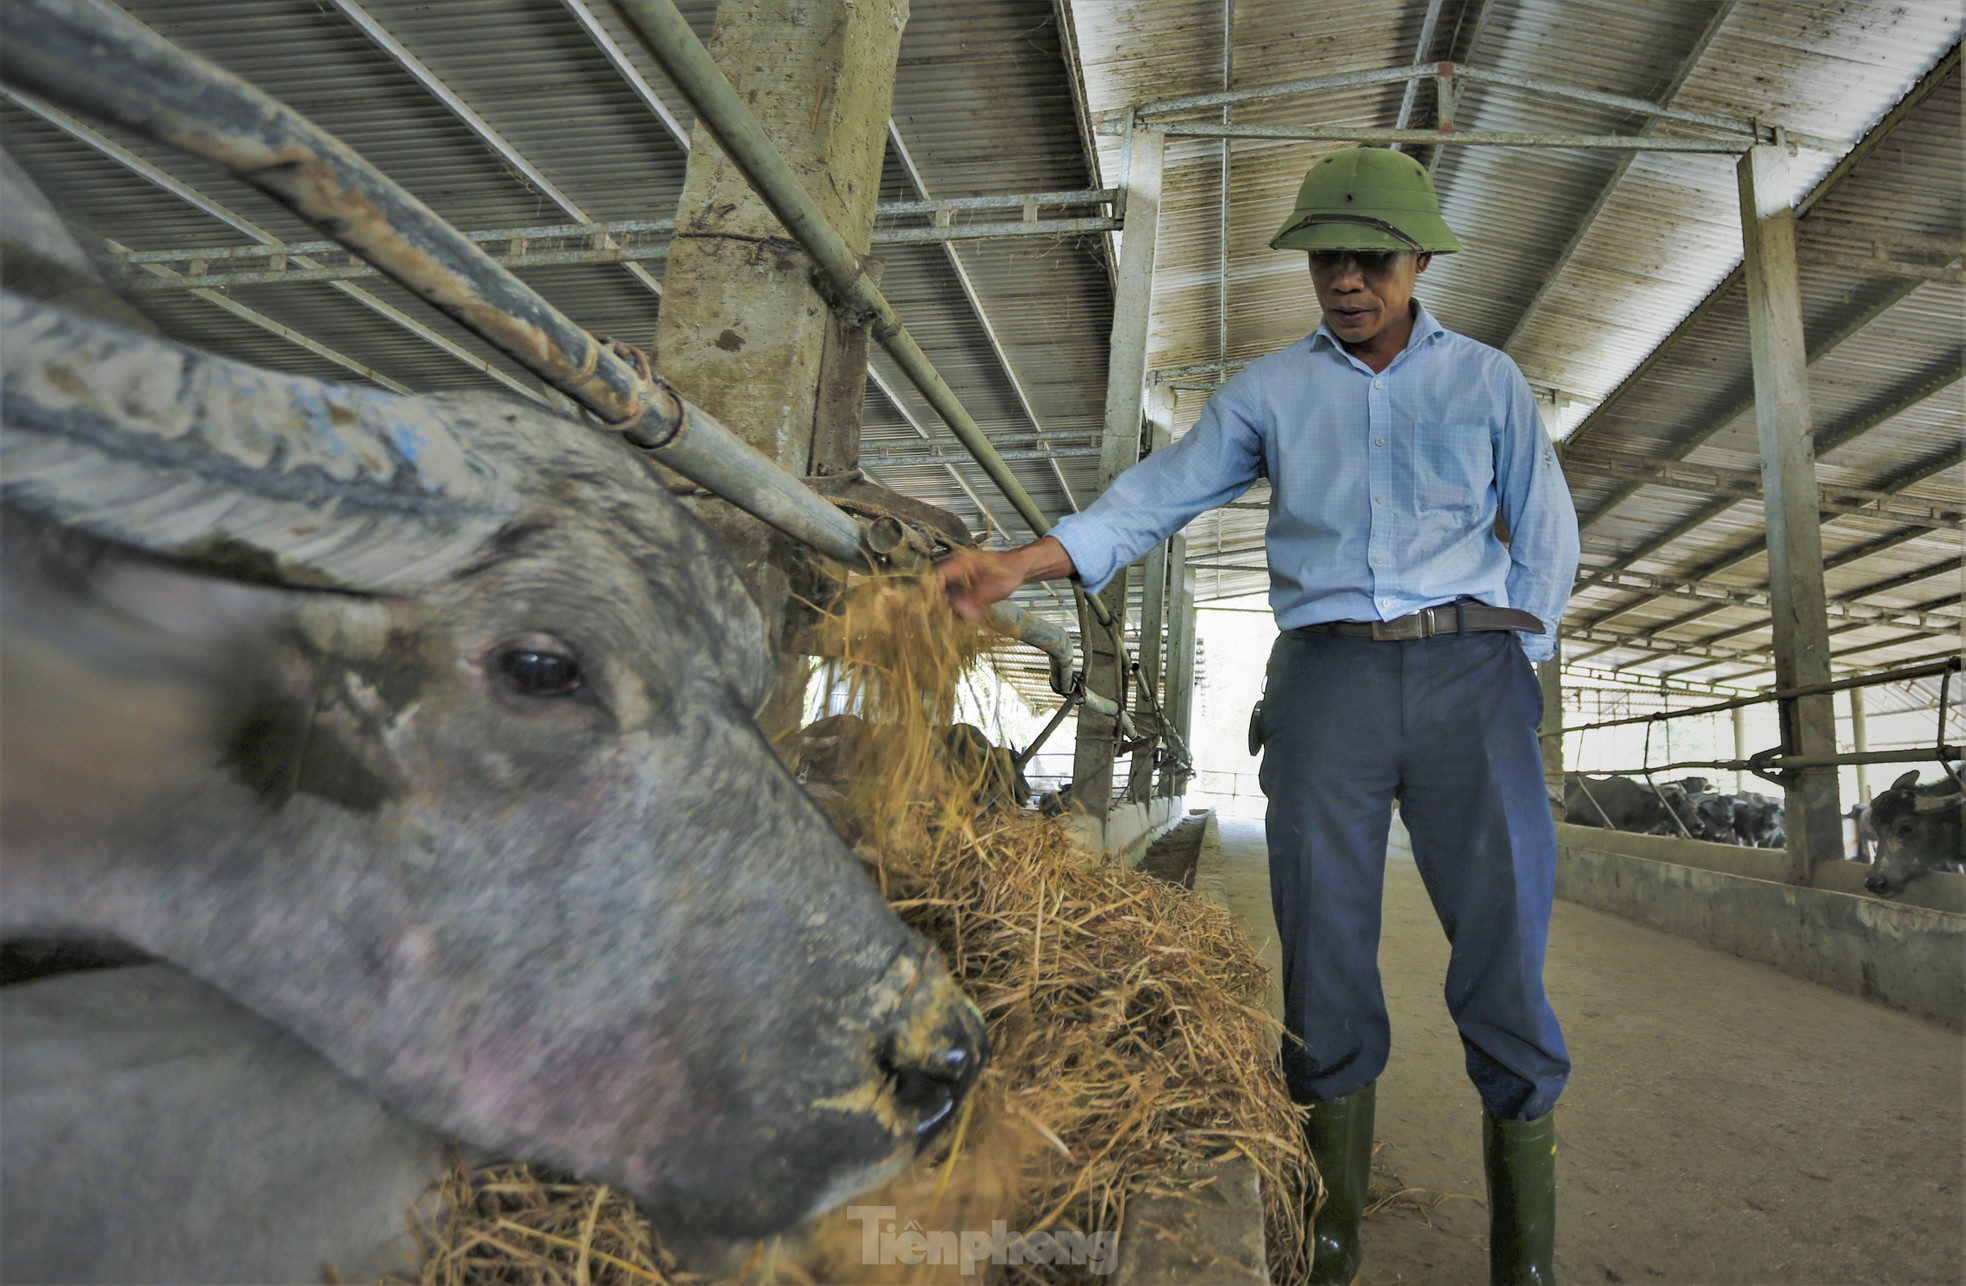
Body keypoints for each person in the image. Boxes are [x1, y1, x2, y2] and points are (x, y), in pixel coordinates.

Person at [938, 146, 1578, 1285]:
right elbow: (1158, 495)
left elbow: (1547, 531)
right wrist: (1022, 563)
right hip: (1326, 681)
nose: (1347, 278)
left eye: (1371, 258)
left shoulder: (1485, 381)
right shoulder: (1270, 392)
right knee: (1324, 945)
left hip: (1471, 672)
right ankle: (1332, 1237)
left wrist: (1512, 653)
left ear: (1418, 260)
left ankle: (1521, 1252)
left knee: (1503, 943)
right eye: (1328, 256)